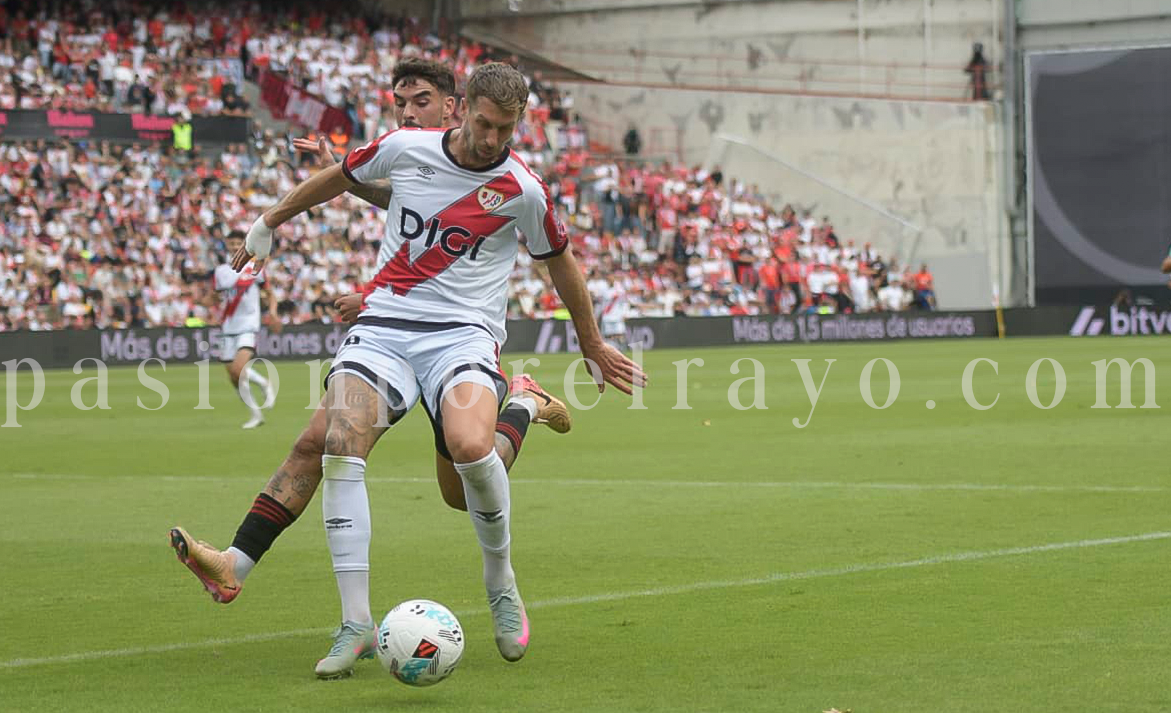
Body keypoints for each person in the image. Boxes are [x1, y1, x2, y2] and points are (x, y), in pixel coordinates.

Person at [168, 60, 624, 677]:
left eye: (506, 129)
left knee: (466, 457)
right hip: (383, 332)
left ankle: (501, 579)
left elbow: (562, 263)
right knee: (336, 441)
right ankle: (354, 622)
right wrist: (268, 221)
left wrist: (591, 342)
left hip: (462, 338)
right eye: (485, 124)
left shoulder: (524, 189)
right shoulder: (406, 148)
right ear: (464, 111)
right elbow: (340, 176)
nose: (493, 139)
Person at [215, 229, 277, 429]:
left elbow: (270, 294)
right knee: (234, 376)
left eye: (237, 243)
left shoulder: (254, 267)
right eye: (231, 243)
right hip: (227, 326)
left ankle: (264, 387)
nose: (234, 246)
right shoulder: (221, 271)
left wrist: (273, 313)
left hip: (248, 325)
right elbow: (216, 297)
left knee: (239, 369)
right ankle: (255, 412)